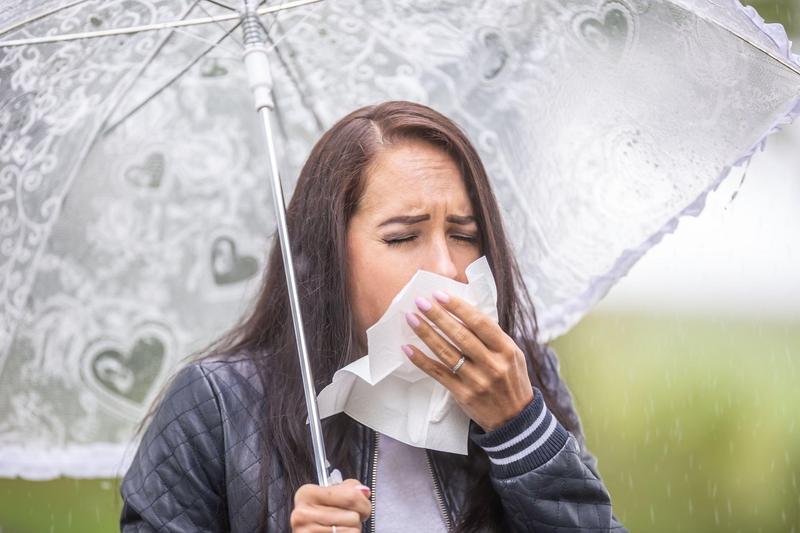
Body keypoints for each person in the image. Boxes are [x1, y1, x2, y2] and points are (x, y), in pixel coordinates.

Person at [120, 101, 627, 532]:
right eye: (403, 237)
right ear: (328, 254)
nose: (447, 268)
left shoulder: (522, 377)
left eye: (465, 234)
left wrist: (521, 430)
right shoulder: (217, 405)